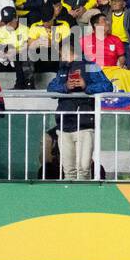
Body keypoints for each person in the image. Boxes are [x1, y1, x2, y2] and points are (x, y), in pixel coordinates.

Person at [47, 40, 112, 181]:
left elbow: (107, 86)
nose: (60, 57)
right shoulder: (63, 69)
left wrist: (86, 86)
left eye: (61, 54)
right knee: (68, 170)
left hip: (84, 125)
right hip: (64, 125)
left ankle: (84, 200)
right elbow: (51, 89)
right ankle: (70, 200)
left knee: (83, 169)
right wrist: (65, 87)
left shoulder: (90, 66)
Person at [83, 11, 130, 96]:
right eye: (104, 20)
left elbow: (121, 57)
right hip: (94, 71)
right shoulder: (84, 40)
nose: (108, 22)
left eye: (107, 20)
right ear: (96, 25)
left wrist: (120, 64)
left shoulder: (115, 39)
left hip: (112, 69)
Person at [0, 6, 33, 89]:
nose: (8, 24)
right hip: (4, 58)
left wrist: (15, 52)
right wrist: (4, 54)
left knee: (21, 56)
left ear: (16, 18)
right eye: (5, 22)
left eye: (10, 21)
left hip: (19, 58)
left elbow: (27, 45)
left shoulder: (25, 29)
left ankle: (20, 85)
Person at [25, 2, 71, 73]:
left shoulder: (63, 25)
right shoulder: (35, 26)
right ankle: (29, 80)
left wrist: (52, 44)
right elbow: (29, 44)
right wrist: (38, 42)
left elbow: (67, 45)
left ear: (54, 16)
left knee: (68, 52)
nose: (46, 23)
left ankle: (62, 77)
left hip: (56, 55)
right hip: (40, 56)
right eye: (44, 20)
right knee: (26, 51)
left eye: (48, 20)